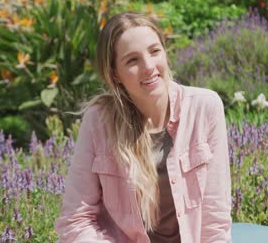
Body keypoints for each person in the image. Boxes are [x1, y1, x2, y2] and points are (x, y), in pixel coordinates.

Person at [54, 12, 232, 242]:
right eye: (132, 60)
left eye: (154, 51)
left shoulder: (205, 107)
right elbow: (76, 219)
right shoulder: (99, 120)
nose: (148, 66)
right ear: (115, 74)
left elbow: (214, 220)